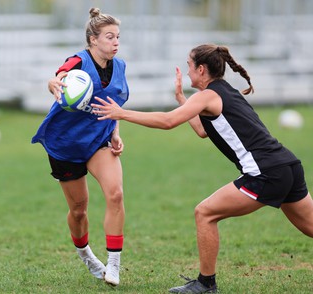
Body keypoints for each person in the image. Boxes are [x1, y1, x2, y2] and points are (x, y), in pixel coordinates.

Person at [91, 44, 313, 293]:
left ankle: (206, 284)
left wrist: (121, 113)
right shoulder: (222, 92)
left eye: (189, 65)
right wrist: (181, 99)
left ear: (201, 69)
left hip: (266, 172)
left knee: (205, 213)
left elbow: (168, 121)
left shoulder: (208, 96)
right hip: (288, 165)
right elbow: (201, 131)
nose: (187, 72)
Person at [31, 7, 129, 286]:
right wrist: (54, 81)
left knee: (116, 194)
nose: (115, 42)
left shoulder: (120, 67)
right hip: (65, 144)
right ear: (93, 40)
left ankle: (114, 265)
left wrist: (116, 132)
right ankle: (85, 254)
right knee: (79, 210)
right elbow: (60, 75)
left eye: (118, 37)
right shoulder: (77, 61)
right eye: (109, 37)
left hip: (98, 141)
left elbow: (114, 104)